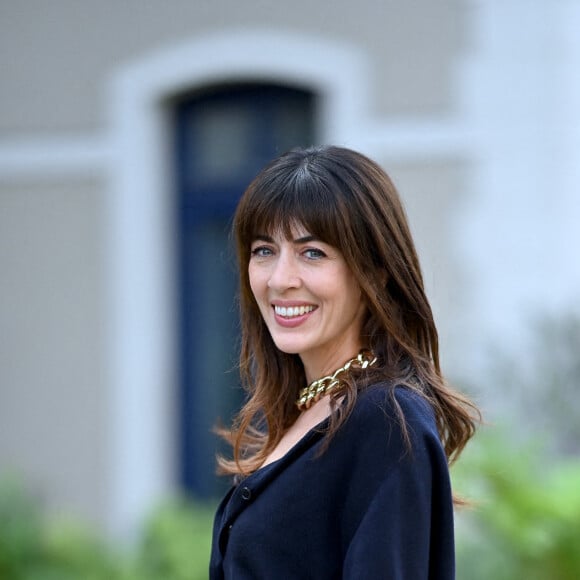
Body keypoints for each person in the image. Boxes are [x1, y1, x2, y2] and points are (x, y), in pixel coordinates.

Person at [209, 145, 479, 579]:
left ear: (374, 270)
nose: (280, 279)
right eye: (264, 250)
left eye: (312, 252)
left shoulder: (386, 421)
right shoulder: (301, 414)